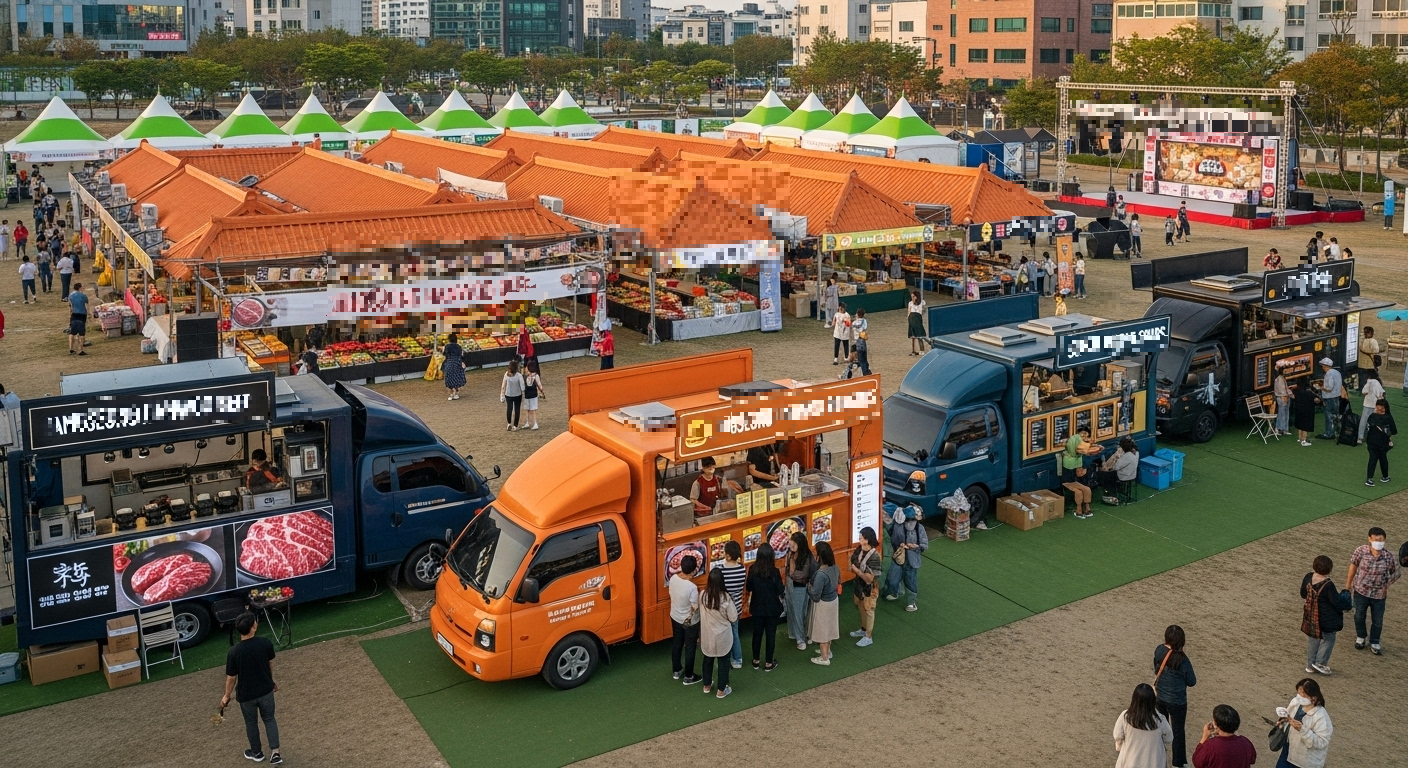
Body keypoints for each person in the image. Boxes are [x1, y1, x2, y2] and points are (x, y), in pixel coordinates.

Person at [222, 613, 283, 765]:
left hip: (246, 695)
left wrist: (226, 696)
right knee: (269, 719)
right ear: (254, 626)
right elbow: (270, 665)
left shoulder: (234, 652)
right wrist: (271, 681)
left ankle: (257, 752)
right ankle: (275, 752)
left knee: (251, 723)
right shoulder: (265, 643)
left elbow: (231, 677)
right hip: (265, 690)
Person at [1346, 526, 1401, 654]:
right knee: (1359, 616)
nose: (1379, 542)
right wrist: (1348, 585)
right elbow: (1353, 567)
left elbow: (1395, 574)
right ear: (1369, 539)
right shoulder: (1361, 551)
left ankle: (1375, 641)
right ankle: (1361, 637)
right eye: (1376, 539)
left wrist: (1386, 586)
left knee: (1377, 620)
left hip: (1379, 595)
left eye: (1381, 540)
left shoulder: (1389, 556)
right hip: (1361, 592)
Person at [1154, 624, 1197, 768]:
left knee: (1160, 727)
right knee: (1178, 732)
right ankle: (1178, 763)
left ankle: (1159, 756)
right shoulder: (1183, 660)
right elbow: (1192, 681)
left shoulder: (1160, 650)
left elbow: (1156, 670)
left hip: (1160, 696)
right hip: (1177, 701)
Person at [1301, 555, 1345, 675]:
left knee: (1313, 640)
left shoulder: (1308, 577)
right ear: (1329, 570)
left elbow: (1303, 593)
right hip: (1326, 618)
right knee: (1329, 639)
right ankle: (1320, 663)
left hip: (1310, 616)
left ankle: (1310, 665)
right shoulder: (1328, 585)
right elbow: (1336, 602)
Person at [698, 567, 738, 698]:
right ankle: (721, 690)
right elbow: (733, 617)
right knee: (723, 662)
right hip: (723, 637)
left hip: (707, 636)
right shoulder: (725, 598)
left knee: (707, 659)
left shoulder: (703, 595)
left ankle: (707, 685)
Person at [1112, 683, 1174, 768]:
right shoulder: (1160, 719)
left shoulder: (1126, 717)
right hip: (1154, 763)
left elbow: (1117, 735)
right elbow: (1169, 738)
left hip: (1130, 762)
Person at [745, 542, 784, 671]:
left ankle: (756, 660)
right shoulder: (774, 572)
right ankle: (768, 663)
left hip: (757, 608)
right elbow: (780, 590)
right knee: (771, 635)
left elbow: (749, 587)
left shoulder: (752, 569)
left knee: (757, 634)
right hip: (773, 609)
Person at [1277, 678, 1332, 768]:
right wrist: (1282, 721)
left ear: (1314, 697)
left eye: (1303, 694)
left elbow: (1321, 742)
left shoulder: (1321, 717)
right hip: (1289, 751)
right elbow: (1288, 717)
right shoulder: (1296, 702)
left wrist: (1302, 730)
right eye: (1298, 693)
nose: (1299, 697)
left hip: (1305, 762)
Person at [884, 504, 927, 611]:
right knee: (892, 579)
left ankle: (912, 602)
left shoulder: (919, 528)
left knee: (910, 581)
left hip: (912, 560)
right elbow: (891, 535)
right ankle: (895, 592)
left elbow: (924, 545)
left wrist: (916, 546)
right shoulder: (897, 525)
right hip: (898, 556)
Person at [668, 555, 702, 685]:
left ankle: (676, 670)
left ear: (681, 566)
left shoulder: (673, 579)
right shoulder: (691, 587)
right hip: (689, 622)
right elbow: (694, 606)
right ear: (694, 570)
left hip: (675, 616)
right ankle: (689, 676)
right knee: (690, 647)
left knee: (677, 643)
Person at [714, 540, 746, 670]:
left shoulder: (720, 570)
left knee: (723, 635)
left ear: (727, 555)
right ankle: (737, 659)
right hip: (736, 608)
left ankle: (724, 658)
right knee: (735, 633)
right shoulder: (742, 569)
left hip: (723, 609)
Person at [1192, 705, 1257, 768]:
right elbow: (1252, 759)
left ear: (1216, 725)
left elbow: (1197, 762)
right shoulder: (1245, 743)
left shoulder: (1210, 746)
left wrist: (1204, 737)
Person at [807, 541, 840, 666]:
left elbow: (815, 595)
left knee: (822, 632)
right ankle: (828, 652)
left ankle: (824, 657)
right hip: (833, 601)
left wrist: (808, 588)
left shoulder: (821, 574)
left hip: (823, 605)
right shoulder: (835, 568)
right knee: (830, 628)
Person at [849, 526, 881, 647]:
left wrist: (857, 571)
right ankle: (863, 629)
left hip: (869, 589)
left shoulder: (874, 557)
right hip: (859, 586)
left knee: (869, 610)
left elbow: (869, 579)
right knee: (861, 607)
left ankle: (868, 636)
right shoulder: (860, 549)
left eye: (861, 538)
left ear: (867, 540)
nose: (859, 540)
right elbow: (853, 559)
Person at [1063, 425, 1101, 518]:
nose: (1084, 437)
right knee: (1079, 492)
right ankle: (1079, 510)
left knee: (1086, 489)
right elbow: (1079, 472)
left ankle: (1086, 509)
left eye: (1085, 436)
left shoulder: (1078, 447)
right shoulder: (1075, 443)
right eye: (1082, 435)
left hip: (1073, 478)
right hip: (1067, 479)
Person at [1098, 437, 1140, 503]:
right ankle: (1118, 490)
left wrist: (1110, 464)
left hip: (1124, 476)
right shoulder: (1136, 452)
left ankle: (1110, 495)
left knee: (1106, 475)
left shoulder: (1127, 456)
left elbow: (1116, 467)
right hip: (1133, 474)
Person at [1364, 399, 1395, 486]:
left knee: (1372, 459)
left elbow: (1367, 429)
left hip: (1371, 442)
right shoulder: (1388, 417)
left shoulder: (1372, 416)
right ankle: (1385, 476)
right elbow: (1394, 431)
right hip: (1383, 443)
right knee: (1383, 458)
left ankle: (1369, 478)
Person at [1314, 359, 1342, 440]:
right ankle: (1337, 431)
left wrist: (1320, 387)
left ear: (1325, 366)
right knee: (1336, 415)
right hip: (1337, 397)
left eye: (1323, 366)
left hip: (1329, 398)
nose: (1322, 367)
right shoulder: (1337, 372)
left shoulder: (1329, 374)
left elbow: (1329, 388)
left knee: (1329, 416)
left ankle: (1329, 433)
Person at [1359, 374, 1385, 445]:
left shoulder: (1369, 382)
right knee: (1376, 422)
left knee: (1363, 421)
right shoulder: (1378, 383)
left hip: (1368, 404)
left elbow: (1364, 392)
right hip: (1376, 405)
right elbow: (1381, 394)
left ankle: (1360, 437)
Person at [500, 359, 525, 431]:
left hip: (508, 394)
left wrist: (502, 395)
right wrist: (523, 394)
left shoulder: (506, 374)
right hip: (517, 394)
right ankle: (515, 425)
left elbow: (503, 385)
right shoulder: (519, 376)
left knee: (509, 408)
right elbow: (522, 386)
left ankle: (509, 423)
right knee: (517, 409)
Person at [1292, 382, 1319, 447]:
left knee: (1300, 424)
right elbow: (1316, 400)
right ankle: (1304, 440)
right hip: (1307, 411)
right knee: (1305, 425)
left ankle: (1300, 438)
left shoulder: (1296, 393)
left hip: (1299, 410)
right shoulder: (1310, 393)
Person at [442, 333, 466, 400]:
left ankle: (451, 393)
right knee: (457, 378)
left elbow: (444, 354)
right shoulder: (459, 346)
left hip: (449, 363)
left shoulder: (447, 346)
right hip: (457, 363)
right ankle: (456, 393)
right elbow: (461, 355)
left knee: (449, 378)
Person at [67, 282, 89, 355]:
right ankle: (80, 350)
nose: (83, 288)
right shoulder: (84, 296)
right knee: (81, 334)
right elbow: (86, 305)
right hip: (82, 315)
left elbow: (70, 306)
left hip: (74, 315)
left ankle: (71, 349)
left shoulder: (70, 296)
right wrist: (89, 314)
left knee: (72, 333)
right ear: (79, 288)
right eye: (82, 287)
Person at [851, 308, 871, 376]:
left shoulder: (854, 323)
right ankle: (868, 371)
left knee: (861, 359)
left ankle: (865, 373)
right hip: (863, 341)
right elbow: (864, 328)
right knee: (864, 358)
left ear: (857, 314)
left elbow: (853, 327)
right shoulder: (864, 321)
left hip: (857, 341)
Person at [906, 291, 926, 355]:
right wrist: (908, 317)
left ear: (917, 296)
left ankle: (922, 350)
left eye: (913, 296)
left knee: (919, 335)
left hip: (918, 318)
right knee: (913, 335)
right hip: (912, 318)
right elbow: (909, 311)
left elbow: (924, 309)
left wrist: (922, 313)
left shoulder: (922, 302)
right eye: (912, 297)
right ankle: (913, 350)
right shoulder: (910, 303)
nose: (912, 298)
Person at [1274, 372, 1293, 436]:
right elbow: (1282, 390)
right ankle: (1278, 428)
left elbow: (1286, 389)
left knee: (1286, 413)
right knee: (1281, 413)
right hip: (1282, 397)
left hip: (1285, 397)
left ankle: (1284, 429)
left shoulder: (1283, 378)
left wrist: (1290, 394)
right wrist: (1285, 396)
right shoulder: (1279, 379)